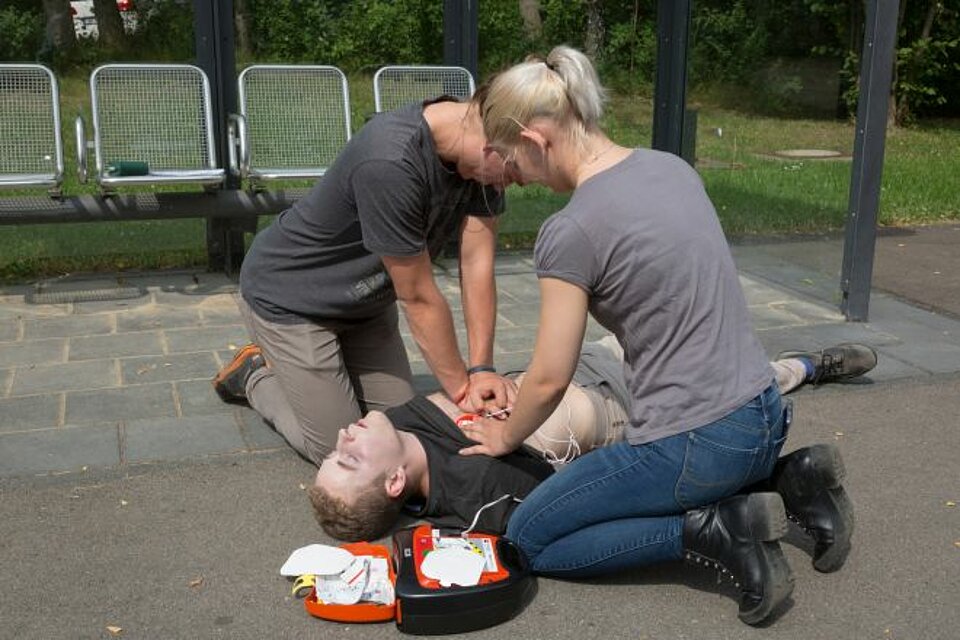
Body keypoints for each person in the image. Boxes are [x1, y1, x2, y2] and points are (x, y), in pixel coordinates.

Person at [454, 45, 863, 625]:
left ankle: (713, 532)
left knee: (530, 538)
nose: (510, 176)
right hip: (765, 414)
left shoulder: (570, 229)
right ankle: (793, 480)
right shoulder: (669, 166)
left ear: (537, 137)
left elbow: (547, 378)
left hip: (698, 443)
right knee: (657, 474)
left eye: (507, 156)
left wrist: (502, 439)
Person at [308, 339, 873, 556]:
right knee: (749, 386)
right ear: (393, 483)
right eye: (348, 458)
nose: (343, 435)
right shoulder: (475, 490)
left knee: (744, 373)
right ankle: (807, 375)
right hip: (632, 408)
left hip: (589, 360)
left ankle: (799, 379)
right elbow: (586, 498)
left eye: (335, 450)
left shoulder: (403, 420)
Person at [213, 91, 522, 467]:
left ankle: (320, 376)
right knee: (344, 450)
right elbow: (419, 297)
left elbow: (476, 264)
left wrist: (482, 369)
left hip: (366, 305)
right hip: (292, 300)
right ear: (492, 144)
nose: (517, 182)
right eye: (514, 171)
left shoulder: (483, 157)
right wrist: (462, 391)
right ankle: (254, 375)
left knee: (399, 432)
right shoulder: (390, 158)